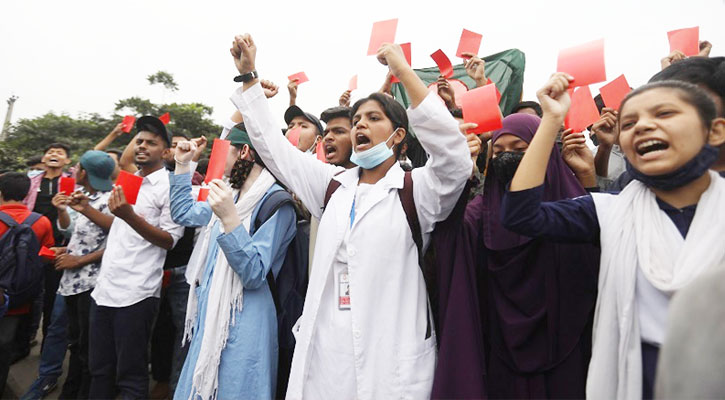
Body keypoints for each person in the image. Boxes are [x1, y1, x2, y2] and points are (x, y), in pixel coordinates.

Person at [229, 34, 471, 399]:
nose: (360, 126)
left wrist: (402, 69)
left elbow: (454, 158)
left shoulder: (417, 190)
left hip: (390, 356)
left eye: (373, 118)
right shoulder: (331, 186)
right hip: (328, 351)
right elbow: (276, 150)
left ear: (398, 135)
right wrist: (249, 77)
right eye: (356, 120)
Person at [502, 75, 725, 399]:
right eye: (629, 123)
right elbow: (521, 215)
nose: (643, 126)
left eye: (664, 113)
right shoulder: (609, 211)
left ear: (715, 131)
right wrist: (551, 121)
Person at [431, 113, 599, 399]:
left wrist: (588, 179)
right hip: (503, 346)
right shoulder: (480, 212)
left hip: (569, 340)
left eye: (520, 150)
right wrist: (460, 175)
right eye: (498, 151)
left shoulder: (569, 201)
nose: (507, 156)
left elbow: (600, 253)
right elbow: (449, 237)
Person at [168, 124, 296, 399]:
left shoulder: (277, 203)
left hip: (246, 320)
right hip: (212, 312)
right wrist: (182, 165)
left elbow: (254, 273)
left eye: (225, 150)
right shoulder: (231, 194)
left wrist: (229, 219)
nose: (219, 157)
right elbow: (183, 214)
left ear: (245, 151)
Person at [88, 116, 184, 399]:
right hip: (104, 289)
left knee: (129, 374)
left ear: (166, 152)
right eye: (139, 141)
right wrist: (88, 210)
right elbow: (120, 226)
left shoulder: (171, 187)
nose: (142, 146)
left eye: (151, 143)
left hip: (136, 293)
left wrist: (130, 216)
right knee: (99, 369)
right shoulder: (129, 179)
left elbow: (169, 240)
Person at [0, 172, 54, 395]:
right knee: (4, 346)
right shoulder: (41, 221)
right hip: (18, 298)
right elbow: (46, 255)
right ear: (26, 194)